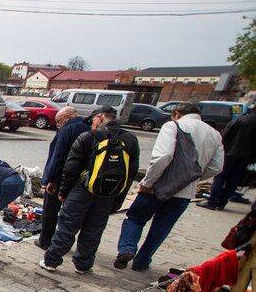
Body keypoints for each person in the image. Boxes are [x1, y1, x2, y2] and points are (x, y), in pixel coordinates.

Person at [114, 102, 223, 271]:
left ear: (177, 113)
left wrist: (148, 182)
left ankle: (127, 248)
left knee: (135, 218)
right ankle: (142, 262)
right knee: (161, 228)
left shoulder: (173, 126)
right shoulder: (214, 134)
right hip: (185, 192)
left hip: (157, 186)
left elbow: (163, 156)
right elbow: (217, 167)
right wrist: (193, 178)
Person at [40, 106, 140, 274]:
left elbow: (71, 168)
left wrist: (63, 192)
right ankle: (83, 265)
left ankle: (51, 261)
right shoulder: (130, 139)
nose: (91, 124)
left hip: (82, 190)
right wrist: (118, 199)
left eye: (93, 120)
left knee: (67, 227)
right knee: (94, 230)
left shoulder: (88, 137)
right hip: (109, 193)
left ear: (99, 118)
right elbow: (131, 173)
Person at [36, 106, 90, 249]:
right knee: (71, 214)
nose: (57, 124)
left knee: (50, 210)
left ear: (67, 118)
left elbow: (57, 157)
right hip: (81, 180)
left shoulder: (66, 130)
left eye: (59, 121)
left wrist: (51, 179)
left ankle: (45, 241)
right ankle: (63, 243)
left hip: (61, 178)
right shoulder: (89, 129)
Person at [197, 108, 256, 210]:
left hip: (230, 153)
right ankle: (222, 202)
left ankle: (212, 201)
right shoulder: (245, 120)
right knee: (233, 180)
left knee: (220, 178)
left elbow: (225, 134)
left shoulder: (241, 119)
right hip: (246, 157)